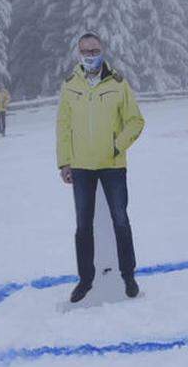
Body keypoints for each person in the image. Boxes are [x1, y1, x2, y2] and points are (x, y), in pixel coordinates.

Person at [56, 33, 146, 303]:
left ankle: (128, 275)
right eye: (85, 51)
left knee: (121, 221)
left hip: (112, 165)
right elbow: (63, 126)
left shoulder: (118, 83)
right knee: (83, 226)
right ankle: (85, 279)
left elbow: (135, 121)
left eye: (94, 50)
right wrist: (64, 162)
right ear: (78, 53)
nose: (90, 55)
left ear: (102, 50)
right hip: (81, 167)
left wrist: (117, 145)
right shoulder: (70, 85)